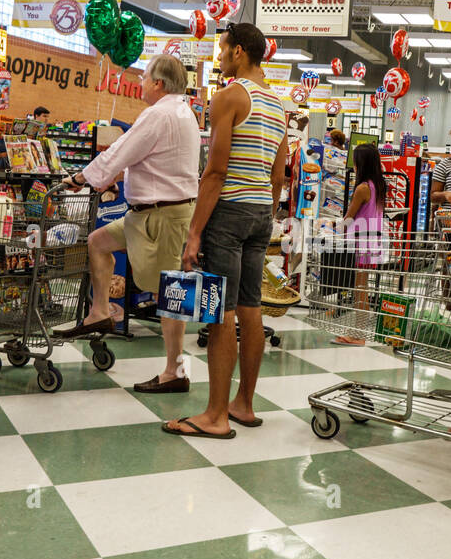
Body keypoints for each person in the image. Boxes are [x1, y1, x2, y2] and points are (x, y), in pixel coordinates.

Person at [164, 22, 288, 439]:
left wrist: (195, 232)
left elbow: (215, 171)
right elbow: (278, 175)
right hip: (258, 216)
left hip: (228, 214)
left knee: (220, 313)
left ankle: (215, 416)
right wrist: (265, 217)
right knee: (251, 308)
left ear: (238, 51)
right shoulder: (277, 105)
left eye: (221, 50)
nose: (218, 57)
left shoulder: (229, 97)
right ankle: (243, 405)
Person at [54, 55, 200, 394]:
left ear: (159, 84)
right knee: (97, 242)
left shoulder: (159, 113)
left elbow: (120, 151)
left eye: (146, 77)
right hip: (146, 213)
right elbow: (146, 159)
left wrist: (82, 177)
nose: (141, 83)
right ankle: (100, 311)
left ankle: (175, 371)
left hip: (162, 216)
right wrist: (119, 180)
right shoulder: (183, 112)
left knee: (172, 293)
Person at [332, 143, 388, 347]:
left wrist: (333, 229)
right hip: (372, 240)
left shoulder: (363, 188)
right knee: (362, 287)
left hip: (360, 242)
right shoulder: (379, 186)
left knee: (360, 289)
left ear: (361, 164)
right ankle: (357, 331)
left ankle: (358, 334)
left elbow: (349, 217)